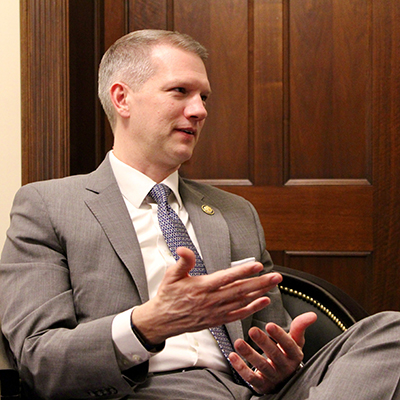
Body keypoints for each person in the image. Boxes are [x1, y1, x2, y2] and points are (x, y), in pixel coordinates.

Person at [1, 29, 400, 400]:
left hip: (256, 392)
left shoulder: (234, 212)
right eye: (180, 91)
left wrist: (281, 363)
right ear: (122, 98)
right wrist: (147, 324)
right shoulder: (48, 206)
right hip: (147, 390)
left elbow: (267, 336)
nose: (199, 110)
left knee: (390, 331)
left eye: (204, 97)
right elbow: (39, 359)